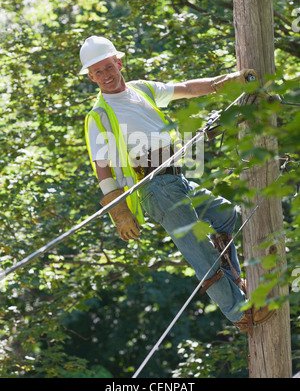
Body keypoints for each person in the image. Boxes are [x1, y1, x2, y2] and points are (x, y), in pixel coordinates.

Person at [79, 35, 274, 333]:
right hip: (155, 188)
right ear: (91, 77)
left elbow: (186, 88)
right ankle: (239, 313)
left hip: (176, 179)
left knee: (226, 215)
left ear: (119, 63)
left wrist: (228, 81)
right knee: (200, 252)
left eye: (108, 67)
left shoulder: (142, 90)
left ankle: (234, 280)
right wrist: (118, 213)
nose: (105, 75)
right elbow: (102, 168)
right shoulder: (99, 116)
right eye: (98, 72)